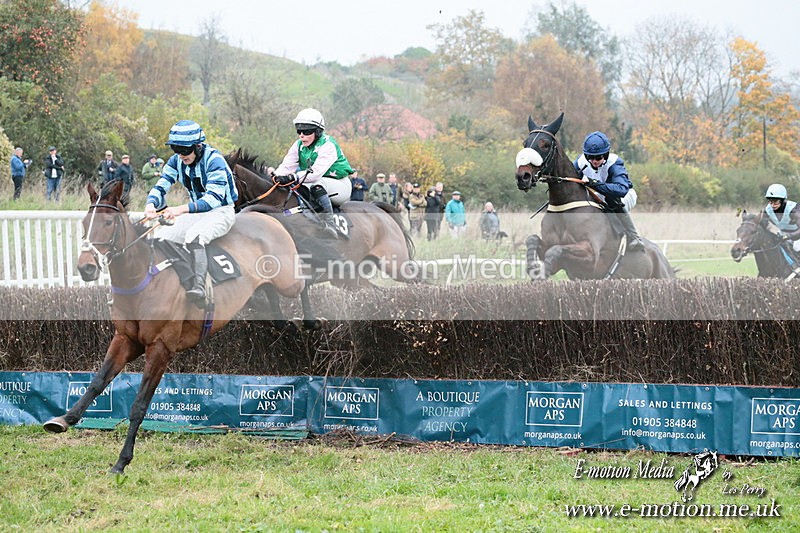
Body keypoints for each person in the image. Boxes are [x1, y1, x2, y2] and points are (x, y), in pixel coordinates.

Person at [144, 120, 238, 308]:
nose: (180, 155)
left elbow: (213, 199)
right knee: (162, 237)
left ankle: (199, 287)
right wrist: (150, 204)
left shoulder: (215, 161)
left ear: (198, 146)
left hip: (221, 211)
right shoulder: (176, 161)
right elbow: (161, 185)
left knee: (194, 236)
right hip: (197, 212)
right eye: (176, 149)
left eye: (184, 150)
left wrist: (179, 209)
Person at [273, 108, 354, 239]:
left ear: (317, 131)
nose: (301, 135)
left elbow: (314, 174)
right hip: (313, 183)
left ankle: (330, 224)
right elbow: (286, 167)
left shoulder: (328, 145)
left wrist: (292, 176)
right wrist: (274, 178)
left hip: (340, 186)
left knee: (315, 183)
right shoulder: (298, 145)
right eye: (299, 131)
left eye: (306, 131)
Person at [573, 131, 645, 252]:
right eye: (590, 157)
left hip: (624, 197)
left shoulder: (615, 163)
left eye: (598, 157)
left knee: (610, 200)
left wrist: (592, 183)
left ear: (605, 155)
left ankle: (634, 237)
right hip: (598, 196)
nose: (594, 161)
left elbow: (621, 189)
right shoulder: (580, 162)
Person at [763, 183, 800, 254]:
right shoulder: (767, 210)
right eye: (770, 201)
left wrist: (788, 236)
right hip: (783, 234)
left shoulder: (793, 210)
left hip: (798, 235)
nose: (772, 205)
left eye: (775, 201)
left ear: (783, 200)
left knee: (797, 247)